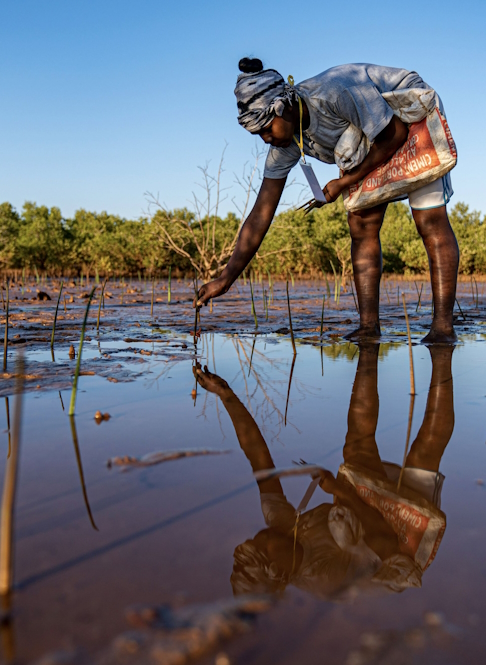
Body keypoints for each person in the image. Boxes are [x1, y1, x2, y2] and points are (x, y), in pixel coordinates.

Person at [194, 58, 460, 343]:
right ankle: (369, 327)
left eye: (266, 128)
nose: (265, 138)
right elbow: (261, 214)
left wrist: (343, 182)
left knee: (428, 219)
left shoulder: (335, 92)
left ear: (282, 108)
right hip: (370, 136)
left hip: (406, 114)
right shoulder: (286, 143)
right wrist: (225, 279)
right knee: (361, 225)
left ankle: (442, 327)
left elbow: (393, 133)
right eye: (258, 133)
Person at [192, 341, 455, 599]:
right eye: (263, 542)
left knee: (356, 447)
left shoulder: (282, 532)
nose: (266, 532)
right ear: (279, 570)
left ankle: (369, 345)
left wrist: (226, 395)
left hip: (363, 511)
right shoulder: (326, 577)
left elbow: (259, 460)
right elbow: (384, 539)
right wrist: (342, 491)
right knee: (425, 453)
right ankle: (443, 353)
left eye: (258, 536)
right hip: (396, 540)